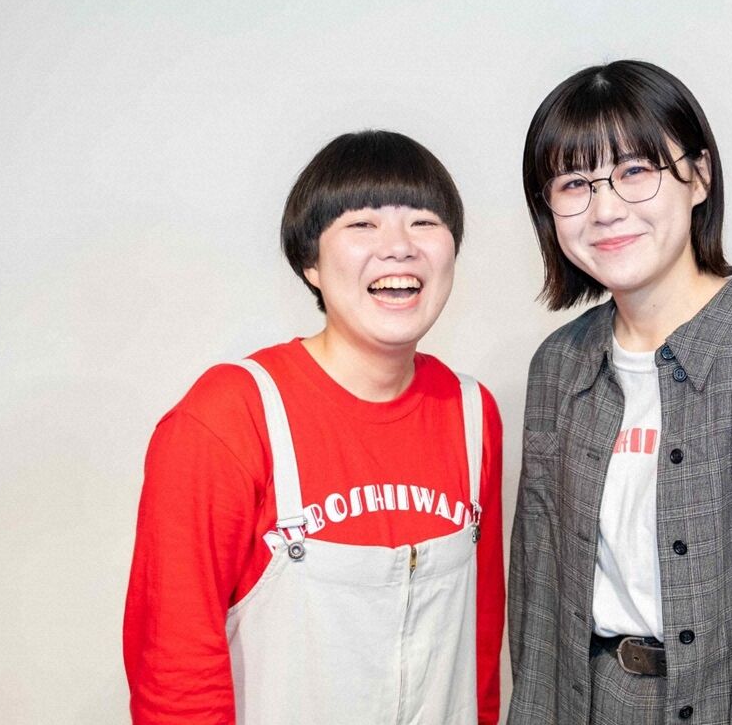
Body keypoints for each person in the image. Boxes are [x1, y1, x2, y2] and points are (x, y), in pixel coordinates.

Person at [507, 60, 732, 725]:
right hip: (588, 702)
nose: (606, 209)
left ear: (699, 176)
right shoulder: (559, 367)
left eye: (635, 171)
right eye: (575, 184)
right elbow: (537, 605)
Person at [124, 130, 505, 724]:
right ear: (311, 263)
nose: (399, 247)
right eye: (362, 224)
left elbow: (478, 646)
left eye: (424, 222)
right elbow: (174, 667)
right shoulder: (229, 416)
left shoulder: (472, 413)